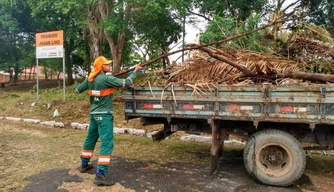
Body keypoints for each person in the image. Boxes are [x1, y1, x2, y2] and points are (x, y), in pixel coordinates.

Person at [76, 56, 143, 186]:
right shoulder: (107, 78)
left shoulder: (90, 78)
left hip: (94, 114)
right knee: (107, 143)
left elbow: (77, 90)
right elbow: (126, 83)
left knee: (90, 138)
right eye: (106, 65)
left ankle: (84, 164)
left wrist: (92, 84)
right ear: (101, 67)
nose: (109, 66)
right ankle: (100, 174)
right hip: (104, 116)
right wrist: (135, 71)